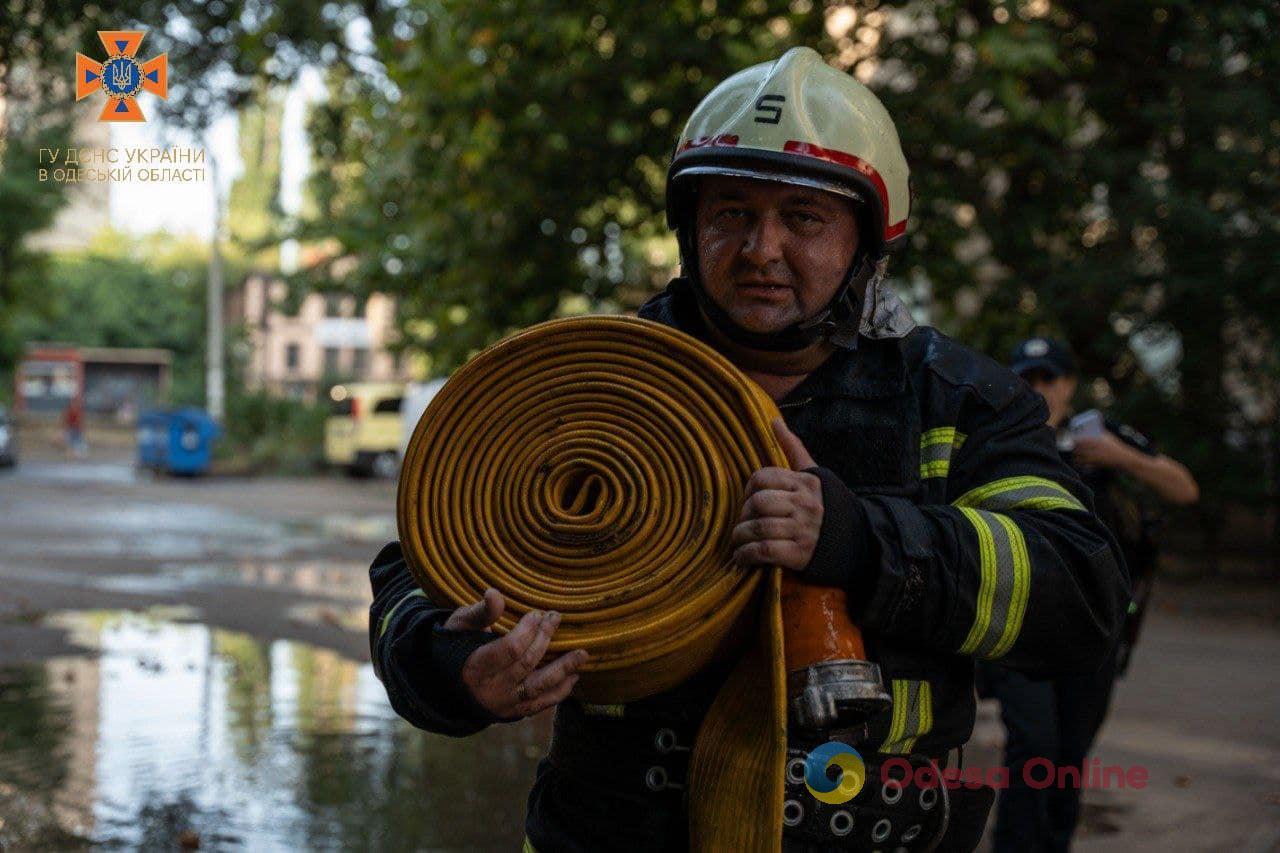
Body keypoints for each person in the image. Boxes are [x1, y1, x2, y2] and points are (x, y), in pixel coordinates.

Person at [368, 48, 1129, 852]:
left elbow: (1082, 592)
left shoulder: (955, 399)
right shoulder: (591, 379)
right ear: (692, 229)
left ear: (866, 242)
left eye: (803, 218)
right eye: (731, 212)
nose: (762, 248)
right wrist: (453, 666)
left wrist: (858, 539)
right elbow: (419, 568)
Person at [979, 336, 1199, 853]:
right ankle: (1015, 844)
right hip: (1018, 623)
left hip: (1094, 625)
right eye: (1027, 378)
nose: (1039, 389)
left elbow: (1184, 489)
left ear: (1070, 384)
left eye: (1048, 378)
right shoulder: (1001, 436)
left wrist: (1120, 456)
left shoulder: (1099, 436)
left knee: (1070, 752)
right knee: (1035, 744)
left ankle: (1051, 843)